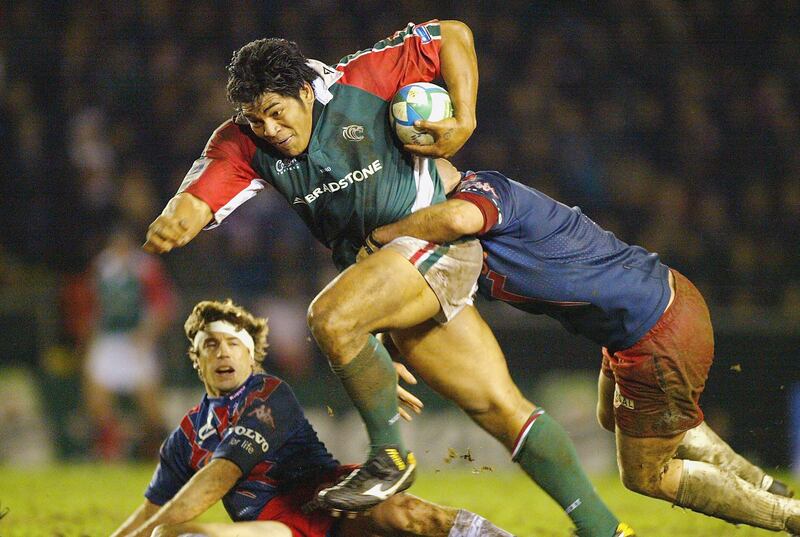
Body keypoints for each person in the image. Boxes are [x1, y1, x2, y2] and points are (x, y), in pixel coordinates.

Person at [143, 21, 633, 537]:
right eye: (254, 118)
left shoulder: (365, 79)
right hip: (393, 272)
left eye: (275, 112)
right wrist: (179, 215)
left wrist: (463, 120)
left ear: (305, 92)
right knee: (499, 407)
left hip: (435, 241)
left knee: (330, 316)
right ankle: (604, 529)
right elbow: (200, 193)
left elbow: (452, 35)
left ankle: (389, 455)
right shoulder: (244, 143)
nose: (267, 129)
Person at [366, 160, 800, 533]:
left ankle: (789, 516)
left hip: (653, 330)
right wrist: (391, 350)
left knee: (647, 475)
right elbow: (428, 296)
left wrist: (384, 235)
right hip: (650, 311)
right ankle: (762, 484)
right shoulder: (457, 239)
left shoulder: (483, 193)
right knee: (611, 416)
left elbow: (457, 219)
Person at [110, 299, 514, 537]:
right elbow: (153, 508)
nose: (222, 352)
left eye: (234, 343)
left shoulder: (269, 396)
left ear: (251, 356)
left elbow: (219, 477)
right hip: (275, 529)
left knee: (409, 514)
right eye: (210, 345)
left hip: (328, 501)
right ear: (196, 360)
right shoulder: (185, 436)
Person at [84, 224, 175, 460]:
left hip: (137, 340)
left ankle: (167, 452)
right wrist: (90, 339)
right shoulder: (101, 267)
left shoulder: (146, 268)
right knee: (96, 400)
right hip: (108, 338)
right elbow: (94, 307)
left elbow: (164, 305)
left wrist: (148, 333)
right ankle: (111, 449)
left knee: (151, 406)